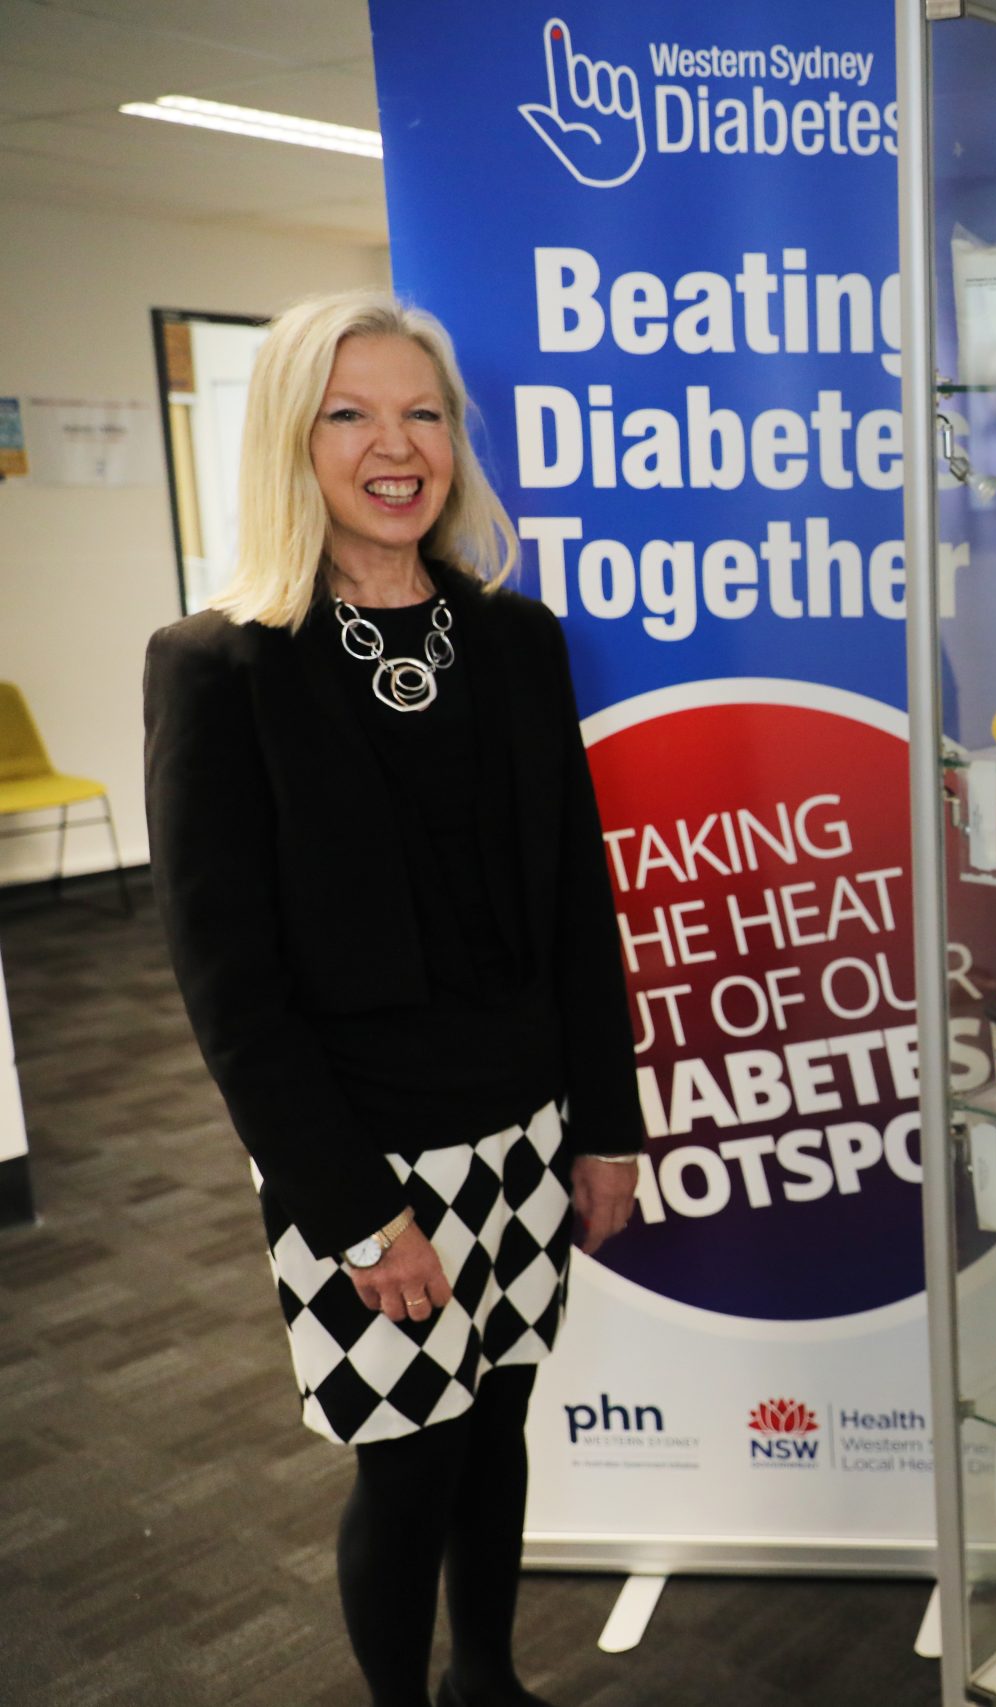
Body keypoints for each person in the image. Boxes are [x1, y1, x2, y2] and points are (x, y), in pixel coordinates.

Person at [144, 291, 644, 1707]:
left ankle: (488, 1682)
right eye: (350, 414)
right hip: (362, 1156)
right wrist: (358, 1212)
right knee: (410, 1458)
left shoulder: (517, 640)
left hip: (526, 1131)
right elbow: (229, 990)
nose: (396, 445)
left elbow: (576, 906)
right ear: (289, 441)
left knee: (498, 1426)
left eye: (424, 413)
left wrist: (606, 1126)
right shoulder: (219, 666)